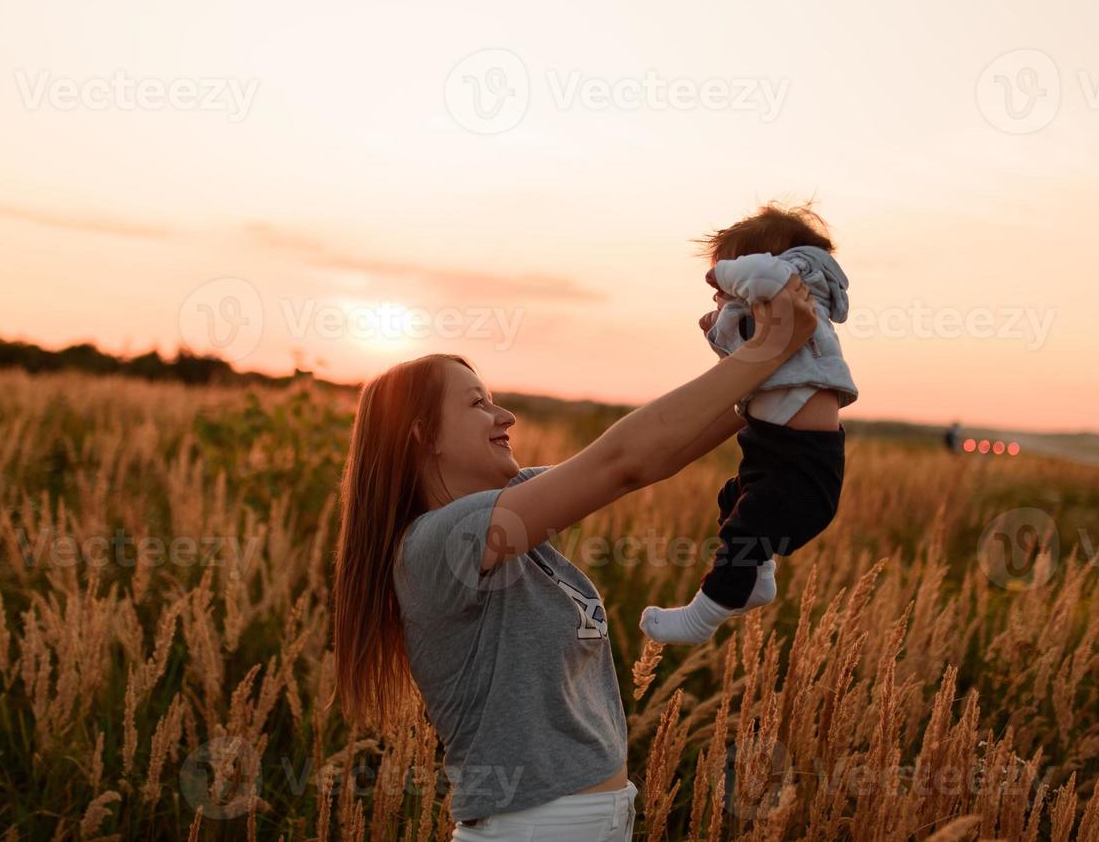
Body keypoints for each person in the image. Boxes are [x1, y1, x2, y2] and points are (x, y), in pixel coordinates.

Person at [330, 275, 818, 840]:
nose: (504, 415)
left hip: (585, 822)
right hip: (535, 827)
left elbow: (655, 458)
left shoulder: (508, 518)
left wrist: (775, 373)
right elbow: (621, 462)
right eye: (477, 404)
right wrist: (767, 350)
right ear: (424, 436)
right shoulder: (440, 542)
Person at [640, 203, 856, 645]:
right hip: (774, 456)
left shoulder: (796, 281)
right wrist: (717, 328)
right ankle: (757, 579)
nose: (720, 289)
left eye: (728, 275)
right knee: (733, 501)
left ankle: (703, 616)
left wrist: (722, 276)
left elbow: (765, 277)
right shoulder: (778, 315)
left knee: (745, 531)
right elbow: (746, 367)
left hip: (801, 467)